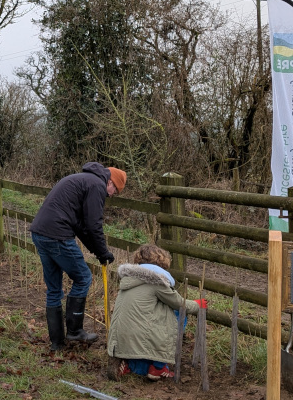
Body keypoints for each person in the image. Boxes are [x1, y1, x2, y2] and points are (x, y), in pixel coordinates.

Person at [29, 163, 126, 351]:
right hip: (57, 234)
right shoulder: (96, 186)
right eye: (115, 190)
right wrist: (104, 252)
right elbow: (93, 225)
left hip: (40, 232)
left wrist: (99, 252)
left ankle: (57, 343)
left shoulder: (83, 180)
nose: (112, 195)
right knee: (83, 278)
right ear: (111, 182)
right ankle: (74, 330)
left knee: (54, 289)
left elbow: (81, 226)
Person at [106, 244, 204, 381]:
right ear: (162, 263)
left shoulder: (128, 280)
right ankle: (158, 367)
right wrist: (197, 305)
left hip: (120, 335)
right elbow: (179, 303)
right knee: (178, 313)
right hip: (140, 334)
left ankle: (130, 364)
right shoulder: (156, 280)